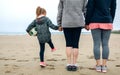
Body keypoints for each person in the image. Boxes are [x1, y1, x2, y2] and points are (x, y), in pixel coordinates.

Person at [85, 0, 116, 73]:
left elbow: (90, 8)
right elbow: (113, 8)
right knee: (105, 44)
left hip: (95, 20)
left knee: (96, 44)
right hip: (107, 20)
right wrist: (110, 19)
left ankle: (98, 65)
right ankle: (104, 66)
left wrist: (87, 22)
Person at [57, 0, 87, 71]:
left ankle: (69, 64)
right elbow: (86, 10)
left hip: (66, 22)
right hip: (78, 22)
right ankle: (74, 64)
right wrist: (87, 22)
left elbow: (60, 10)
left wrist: (59, 23)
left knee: (68, 44)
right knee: (75, 44)